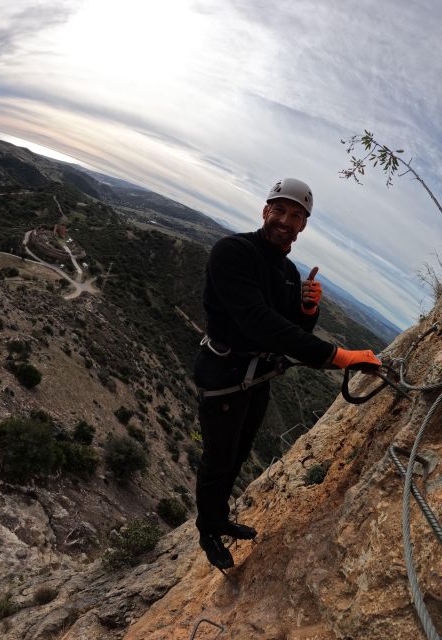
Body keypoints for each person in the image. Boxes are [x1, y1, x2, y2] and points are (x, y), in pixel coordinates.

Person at [193, 178, 381, 569]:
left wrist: (309, 311)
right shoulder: (234, 252)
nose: (285, 219)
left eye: (296, 215)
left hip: (258, 375)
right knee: (219, 456)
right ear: (265, 211)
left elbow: (290, 330)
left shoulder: (291, 274)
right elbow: (257, 321)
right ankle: (209, 529)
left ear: (303, 226)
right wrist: (337, 355)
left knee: (239, 453)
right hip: (223, 370)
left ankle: (220, 517)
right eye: (279, 210)